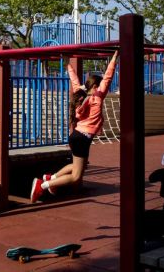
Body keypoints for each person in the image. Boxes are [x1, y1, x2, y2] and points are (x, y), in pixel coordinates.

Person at [30, 50, 119, 202]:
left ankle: (52, 177)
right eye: (102, 86)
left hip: (78, 136)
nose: (105, 88)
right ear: (96, 87)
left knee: (79, 166)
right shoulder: (97, 96)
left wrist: (67, 63)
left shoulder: (81, 95)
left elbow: (74, 79)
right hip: (82, 139)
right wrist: (115, 58)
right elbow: (108, 77)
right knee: (77, 176)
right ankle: (42, 185)